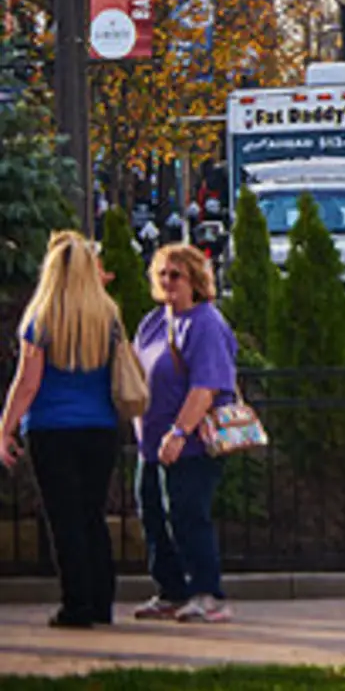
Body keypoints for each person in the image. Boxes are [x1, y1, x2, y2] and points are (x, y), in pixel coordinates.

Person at [0, 232, 124, 627]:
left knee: (64, 518)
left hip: (53, 429)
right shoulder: (107, 316)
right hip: (101, 427)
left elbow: (28, 383)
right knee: (92, 515)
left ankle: (77, 604)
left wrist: (5, 428)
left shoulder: (42, 318)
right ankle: (102, 602)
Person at [132, 243, 239, 624]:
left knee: (188, 515)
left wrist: (179, 432)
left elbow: (206, 386)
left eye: (175, 274)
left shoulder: (206, 324)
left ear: (195, 279)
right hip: (150, 443)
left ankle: (206, 593)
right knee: (154, 516)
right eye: (161, 274)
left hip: (191, 445)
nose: (167, 282)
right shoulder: (153, 322)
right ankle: (171, 590)